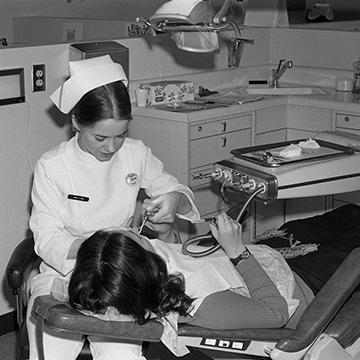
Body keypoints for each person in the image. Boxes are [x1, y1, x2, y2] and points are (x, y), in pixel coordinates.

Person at [28, 54, 200, 360]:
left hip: (121, 275)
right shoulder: (53, 166)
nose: (111, 147)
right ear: (76, 122)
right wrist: (100, 248)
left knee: (121, 352)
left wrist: (172, 200)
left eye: (121, 135)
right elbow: (46, 238)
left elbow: (175, 189)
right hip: (64, 270)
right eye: (101, 137)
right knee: (53, 349)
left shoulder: (135, 153)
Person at [67, 212, 308, 358]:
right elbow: (278, 314)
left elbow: (186, 262)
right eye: (140, 238)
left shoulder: (109, 284)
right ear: (148, 269)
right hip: (302, 288)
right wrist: (237, 250)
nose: (135, 230)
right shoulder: (207, 306)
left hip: (273, 263)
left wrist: (167, 232)